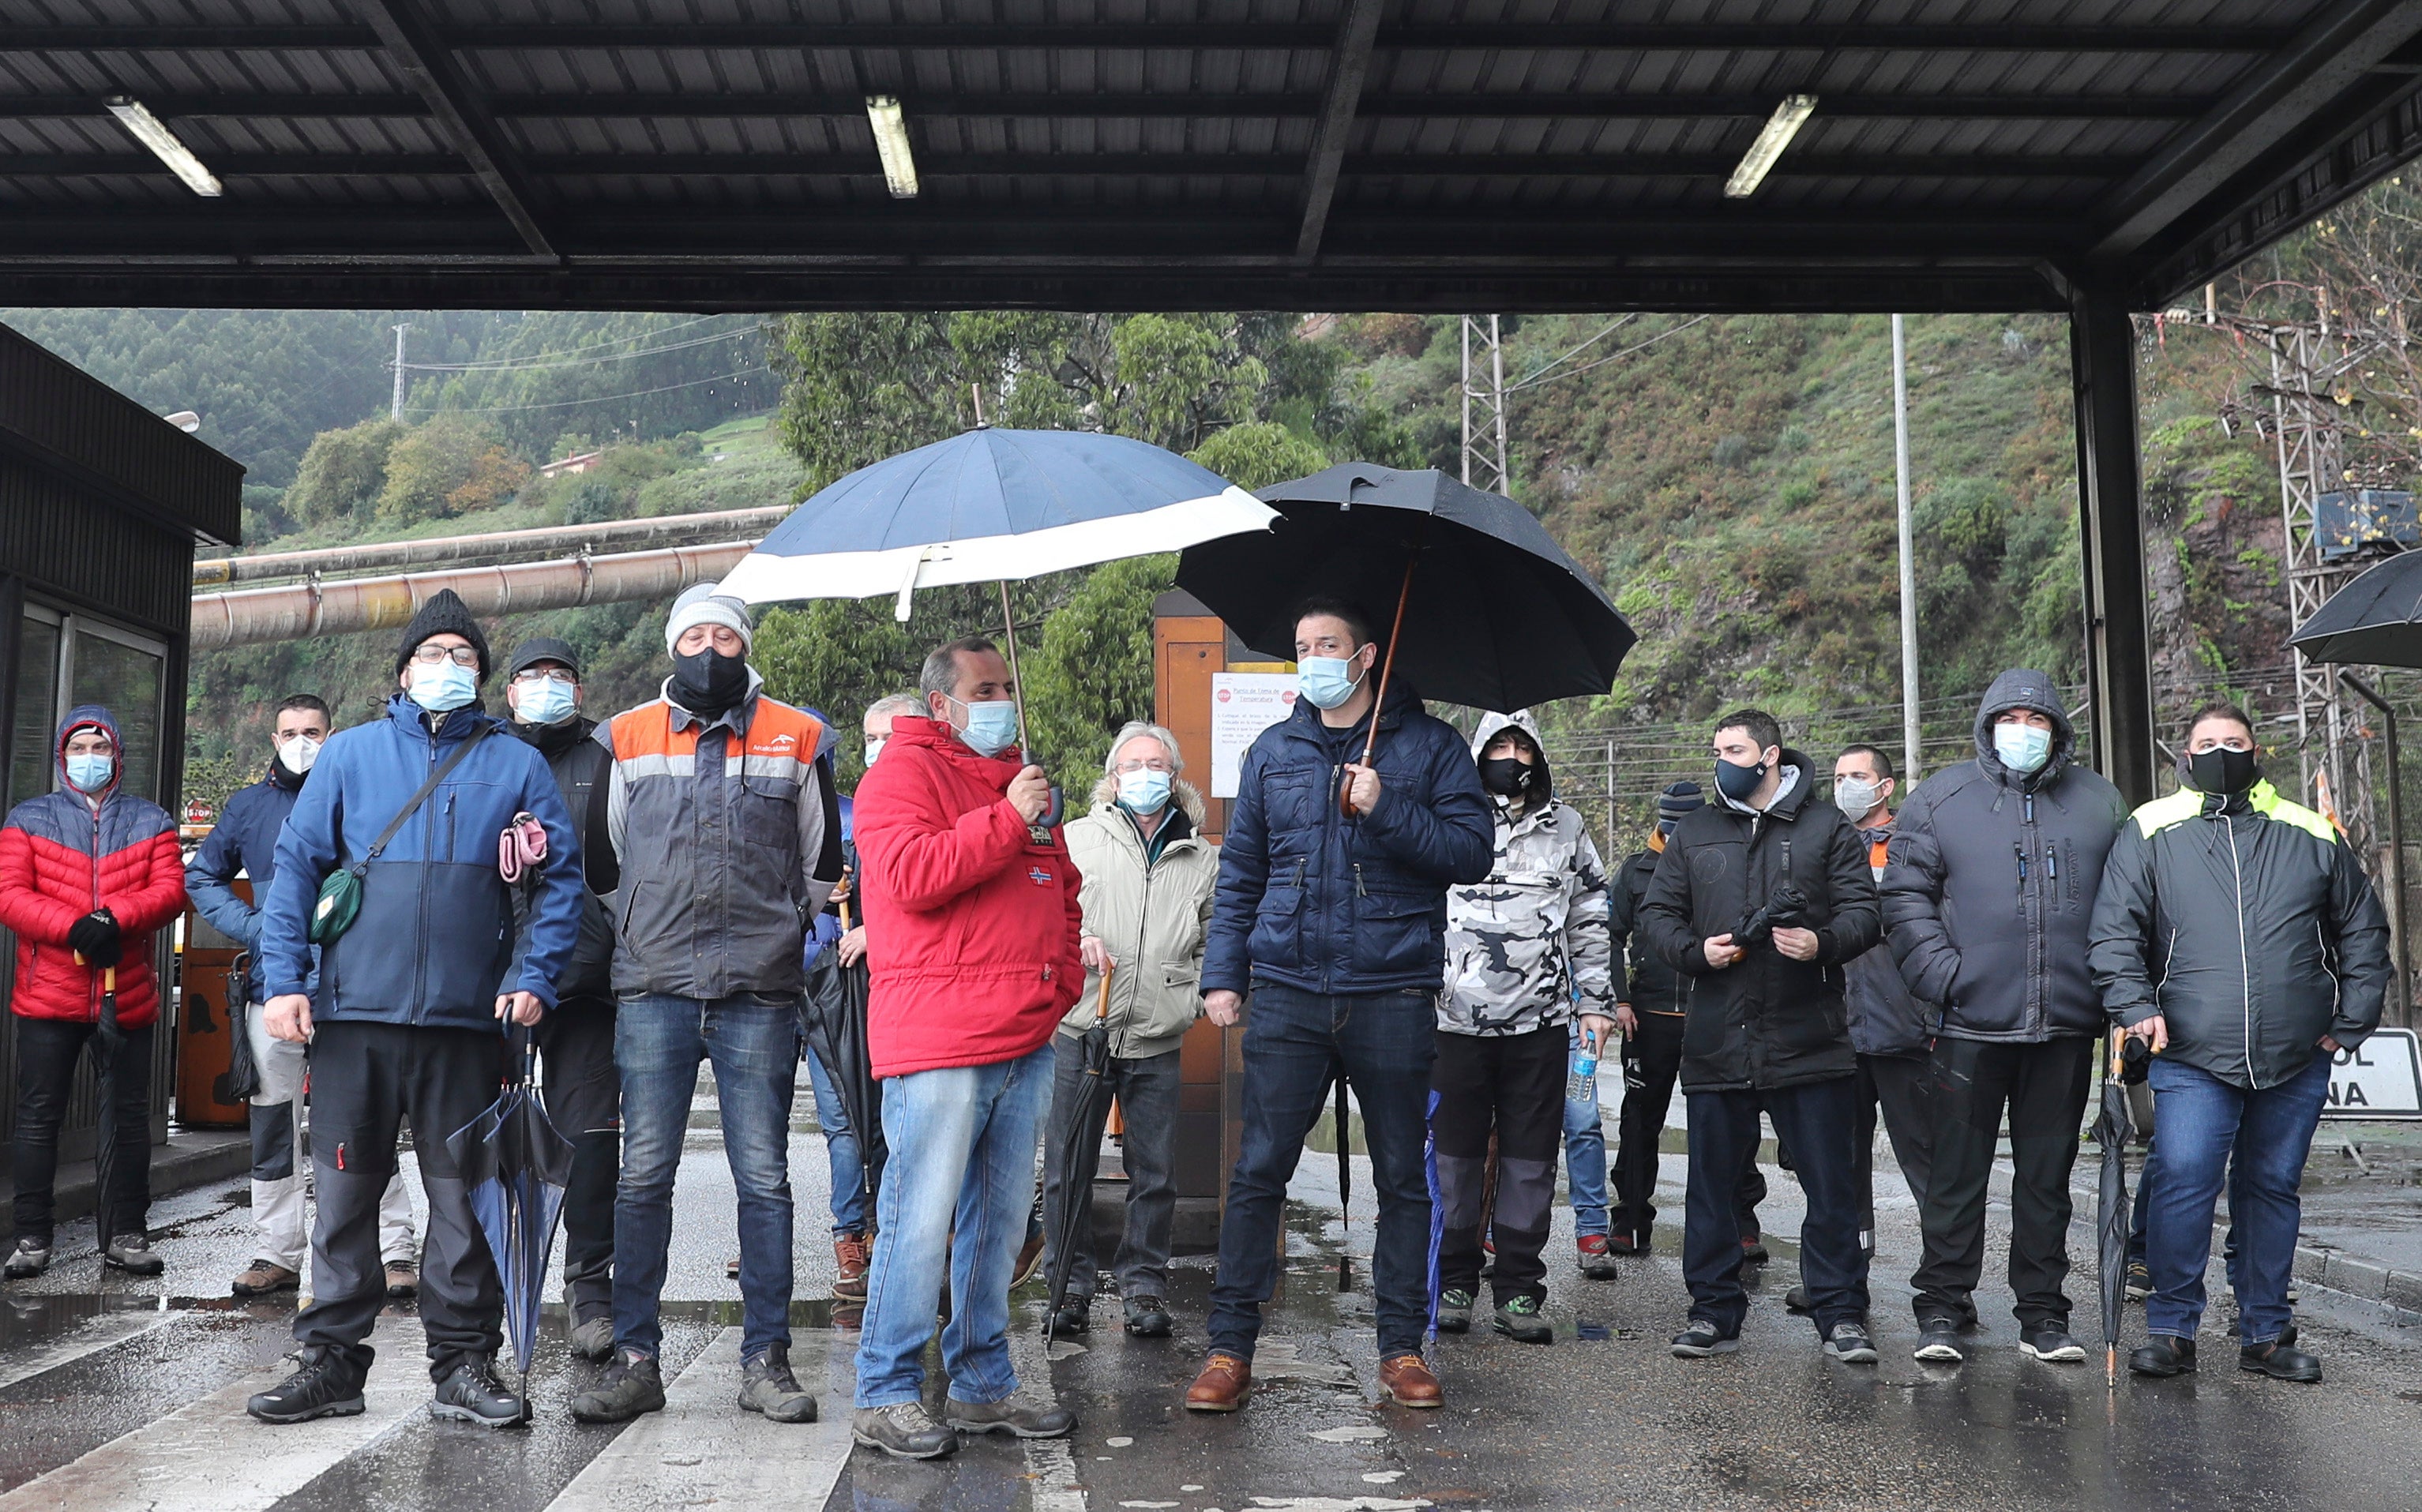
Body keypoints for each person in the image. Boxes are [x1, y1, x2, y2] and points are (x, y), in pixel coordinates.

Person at [246, 589, 586, 1428]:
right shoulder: (351, 756)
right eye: (433, 654)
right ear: (403, 670)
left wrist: (536, 976)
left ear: (482, 675)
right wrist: (284, 980)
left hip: (470, 1025)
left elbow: (561, 882)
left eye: (464, 656)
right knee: (346, 1195)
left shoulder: (516, 764)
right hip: (352, 1017)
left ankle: (463, 1364)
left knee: (463, 1201)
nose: (448, 668)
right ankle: (330, 1362)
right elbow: (292, 873)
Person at [1185, 598, 1493, 1413]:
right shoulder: (1273, 750)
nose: (1312, 657)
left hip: (1390, 990)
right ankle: (1228, 1348)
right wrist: (1225, 975)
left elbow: (1469, 852)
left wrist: (1385, 805)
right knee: (1257, 1173)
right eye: (1301, 645)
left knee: (1402, 1176)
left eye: (1328, 645)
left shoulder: (1430, 747)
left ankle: (1401, 1349)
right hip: (1286, 990)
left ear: (1366, 658)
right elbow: (1241, 872)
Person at [571, 583, 841, 1428]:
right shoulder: (624, 734)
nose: (710, 648)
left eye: (726, 635)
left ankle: (766, 1359)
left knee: (763, 1176)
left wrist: (778, 926)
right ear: (671, 644)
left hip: (758, 988)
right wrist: (649, 925)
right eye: (695, 634)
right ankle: (637, 1358)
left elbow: (824, 863)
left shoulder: (800, 735)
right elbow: (602, 862)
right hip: (652, 984)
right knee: (643, 1172)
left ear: (746, 644)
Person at [2092, 702, 2390, 1384]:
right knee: (2183, 1179)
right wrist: (2136, 1007)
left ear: (2257, 753)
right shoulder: (2150, 827)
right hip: (2191, 1050)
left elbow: (2362, 933)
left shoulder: (2309, 830)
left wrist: (2351, 1019)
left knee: (2270, 1186)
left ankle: (2263, 1330)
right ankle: (2170, 1328)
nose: (2220, 749)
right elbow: (2114, 932)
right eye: (2206, 741)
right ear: (2184, 756)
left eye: (2233, 741)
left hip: (2296, 1054)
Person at [847, 635, 1082, 1460]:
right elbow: (911, 875)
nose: (1002, 700)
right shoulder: (900, 776)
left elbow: (1063, 885)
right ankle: (884, 1388)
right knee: (919, 1221)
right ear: (940, 703)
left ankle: (983, 1383)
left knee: (999, 1222)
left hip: (1024, 1031)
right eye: (986, 687)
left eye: (1007, 684)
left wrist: (1058, 985)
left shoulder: (1020, 778)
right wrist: (1009, 816)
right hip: (942, 1037)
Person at [1882, 670, 2126, 1365]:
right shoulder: (1941, 798)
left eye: (2037, 718)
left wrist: (2111, 995)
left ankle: (2043, 1314)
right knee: (1956, 1176)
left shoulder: (2098, 802)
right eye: (2011, 716)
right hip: (1968, 1026)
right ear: (1988, 724)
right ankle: (1941, 1306)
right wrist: (1943, 976)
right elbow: (1903, 897)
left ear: (2057, 728)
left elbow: (2129, 904)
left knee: (2046, 1178)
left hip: (2064, 1028)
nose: (2024, 728)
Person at [1639, 708, 1881, 1365]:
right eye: (1716, 748)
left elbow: (1866, 912)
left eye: (1735, 749)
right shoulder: (1693, 832)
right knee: (1711, 1188)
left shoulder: (1825, 825)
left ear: (1770, 756)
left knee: (1829, 1186)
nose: (1722, 760)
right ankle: (1712, 1311)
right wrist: (1696, 952)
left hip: (1811, 1037)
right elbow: (1655, 915)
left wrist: (1820, 942)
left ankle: (1839, 1313)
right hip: (1718, 1037)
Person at [188, 694, 421, 1300]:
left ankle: (396, 1250)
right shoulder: (247, 807)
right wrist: (254, 927)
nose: (301, 741)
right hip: (275, 992)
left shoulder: (365, 795)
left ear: (333, 734)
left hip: (351, 992)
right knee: (272, 1128)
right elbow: (201, 875)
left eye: (312, 731)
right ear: (272, 736)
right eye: (289, 731)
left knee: (365, 1124)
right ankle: (276, 1252)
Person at [1433, 711, 1614, 1344]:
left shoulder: (1565, 827)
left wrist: (1596, 1003)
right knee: (1452, 1162)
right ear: (1477, 753)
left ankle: (1517, 1289)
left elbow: (1590, 916)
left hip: (1539, 1025)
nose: (1510, 756)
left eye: (1521, 746)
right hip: (1450, 1024)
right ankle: (1452, 1278)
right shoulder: (1445, 815)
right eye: (1498, 746)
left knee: (1530, 1161)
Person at [1041, 721, 1218, 1340]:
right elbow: (1043, 916)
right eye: (1133, 764)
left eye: (1157, 764)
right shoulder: (1076, 839)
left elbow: (1216, 939)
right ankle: (1069, 1285)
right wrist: (1075, 940)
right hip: (1082, 1025)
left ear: (1173, 777)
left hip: (1157, 1035)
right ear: (1113, 777)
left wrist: (1190, 995)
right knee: (1068, 1165)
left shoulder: (1200, 855)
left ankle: (1145, 1285)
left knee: (1155, 1172)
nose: (1145, 774)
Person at [0, 706, 186, 1281]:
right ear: (61, 755)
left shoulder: (152, 820)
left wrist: (115, 918)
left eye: (97, 745)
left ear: (117, 753)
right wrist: (75, 927)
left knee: (128, 1120)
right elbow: (10, 894)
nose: (88, 756)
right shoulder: (28, 818)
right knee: (37, 1118)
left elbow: (170, 891)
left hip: (125, 995)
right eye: (78, 746)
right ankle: (31, 1236)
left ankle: (127, 1232)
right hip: (47, 997)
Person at [498, 639, 621, 1360]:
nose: (546, 687)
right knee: (487, 1138)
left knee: (592, 1137)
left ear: (580, 688)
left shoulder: (606, 762)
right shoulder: (484, 759)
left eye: (561, 676)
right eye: (531, 677)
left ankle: (589, 1286)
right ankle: (483, 1281)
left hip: (586, 982)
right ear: (508, 692)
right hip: (494, 984)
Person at [1783, 742, 1933, 1315]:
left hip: (1906, 1031)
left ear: (1885, 786)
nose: (1846, 785)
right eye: (1839, 774)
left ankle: (1945, 1285)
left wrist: (1932, 1010)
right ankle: (1840, 1278)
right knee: (1836, 1169)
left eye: (1858, 776)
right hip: (1835, 1031)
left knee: (1929, 1166)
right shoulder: (1818, 847)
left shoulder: (1913, 847)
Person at [805, 690, 922, 1305]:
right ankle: (846, 1232)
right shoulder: (765, 815)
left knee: (875, 1118)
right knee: (841, 1122)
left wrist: (868, 921)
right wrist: (813, 893)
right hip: (793, 988)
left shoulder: (861, 813)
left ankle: (879, 1230)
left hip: (863, 988)